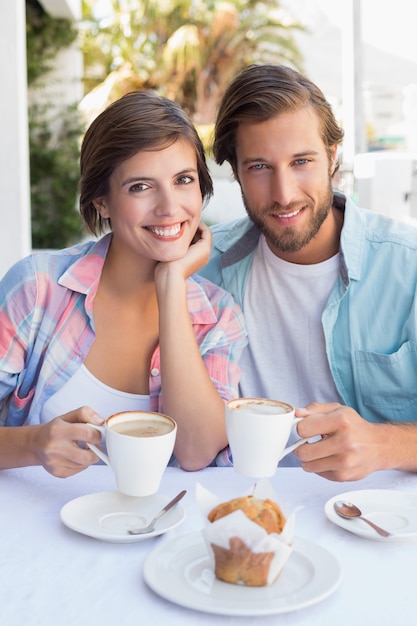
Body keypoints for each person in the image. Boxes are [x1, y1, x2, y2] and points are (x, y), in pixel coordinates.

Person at [0, 90, 247, 477]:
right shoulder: (37, 289)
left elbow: (196, 451)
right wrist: (34, 443)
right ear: (101, 201)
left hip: (157, 533)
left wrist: (171, 285)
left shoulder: (218, 316)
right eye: (140, 187)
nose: (169, 207)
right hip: (30, 533)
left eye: (183, 179)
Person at [200, 63, 417, 482]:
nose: (284, 194)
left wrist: (382, 444)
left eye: (301, 161)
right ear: (236, 171)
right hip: (241, 509)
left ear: (333, 157)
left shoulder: (407, 268)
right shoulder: (202, 269)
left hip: (380, 524)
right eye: (259, 167)